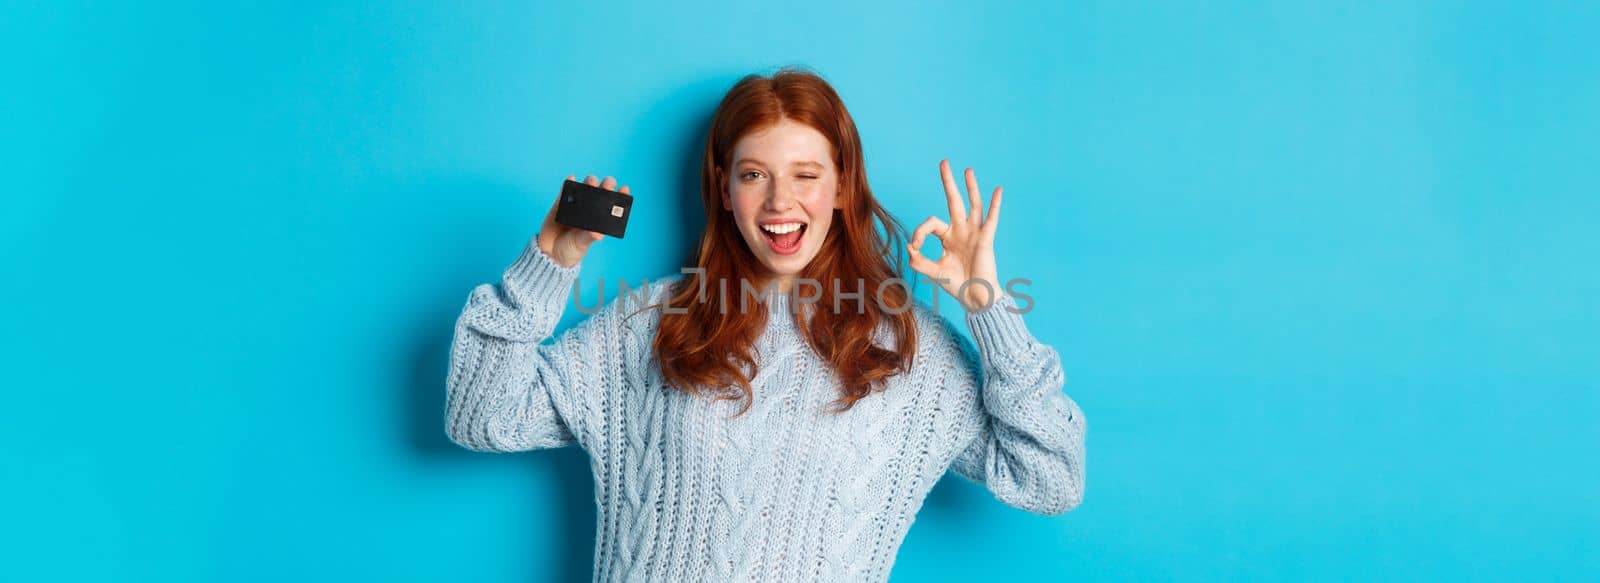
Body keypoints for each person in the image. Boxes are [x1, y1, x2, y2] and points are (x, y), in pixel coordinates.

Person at [445, 66, 1086, 582]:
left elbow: (1052, 479)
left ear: (841, 187)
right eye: (755, 175)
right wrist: (548, 264)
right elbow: (481, 416)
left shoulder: (905, 350)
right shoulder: (649, 322)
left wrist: (987, 304)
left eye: (806, 175)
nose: (781, 202)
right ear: (725, 190)